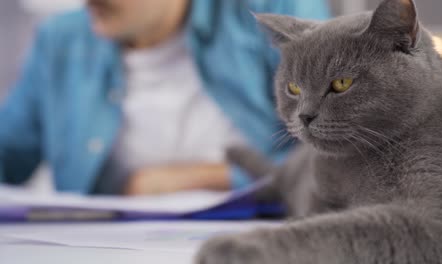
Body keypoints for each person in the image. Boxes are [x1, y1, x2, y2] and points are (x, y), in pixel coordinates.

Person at [0, 0, 329, 195]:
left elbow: (347, 148)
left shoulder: (273, 15)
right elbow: (8, 151)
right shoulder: (60, 41)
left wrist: (209, 178)